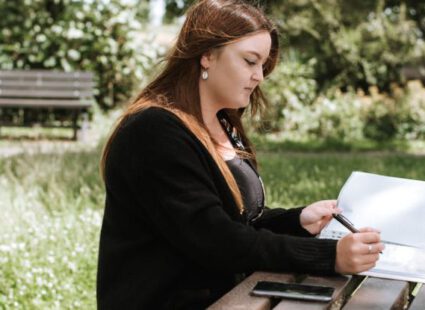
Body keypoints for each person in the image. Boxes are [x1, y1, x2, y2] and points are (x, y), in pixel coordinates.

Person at [96, 0, 384, 308]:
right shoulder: (153, 132)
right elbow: (216, 241)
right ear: (206, 55)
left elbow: (235, 222)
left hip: (235, 296)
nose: (259, 76)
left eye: (263, 65)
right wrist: (330, 256)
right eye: (250, 61)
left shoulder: (221, 123)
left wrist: (296, 220)